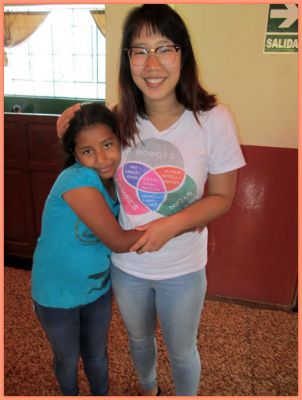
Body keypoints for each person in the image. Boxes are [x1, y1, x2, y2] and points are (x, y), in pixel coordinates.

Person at [57, 4, 246, 396]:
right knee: (139, 342)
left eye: (164, 48)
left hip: (184, 268)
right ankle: (148, 389)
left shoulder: (214, 119)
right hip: (129, 267)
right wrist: (65, 135)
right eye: (140, 50)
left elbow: (223, 197)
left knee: (181, 351)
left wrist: (171, 225)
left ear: (183, 55)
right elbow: (90, 165)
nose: (152, 63)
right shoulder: (116, 119)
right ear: (128, 60)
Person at [31, 102, 145, 396]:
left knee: (96, 353)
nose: (102, 158)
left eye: (108, 144)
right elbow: (118, 240)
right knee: (67, 358)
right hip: (56, 293)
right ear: (75, 155)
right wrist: (180, 225)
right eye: (87, 151)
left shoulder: (118, 180)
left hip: (96, 289)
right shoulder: (76, 179)